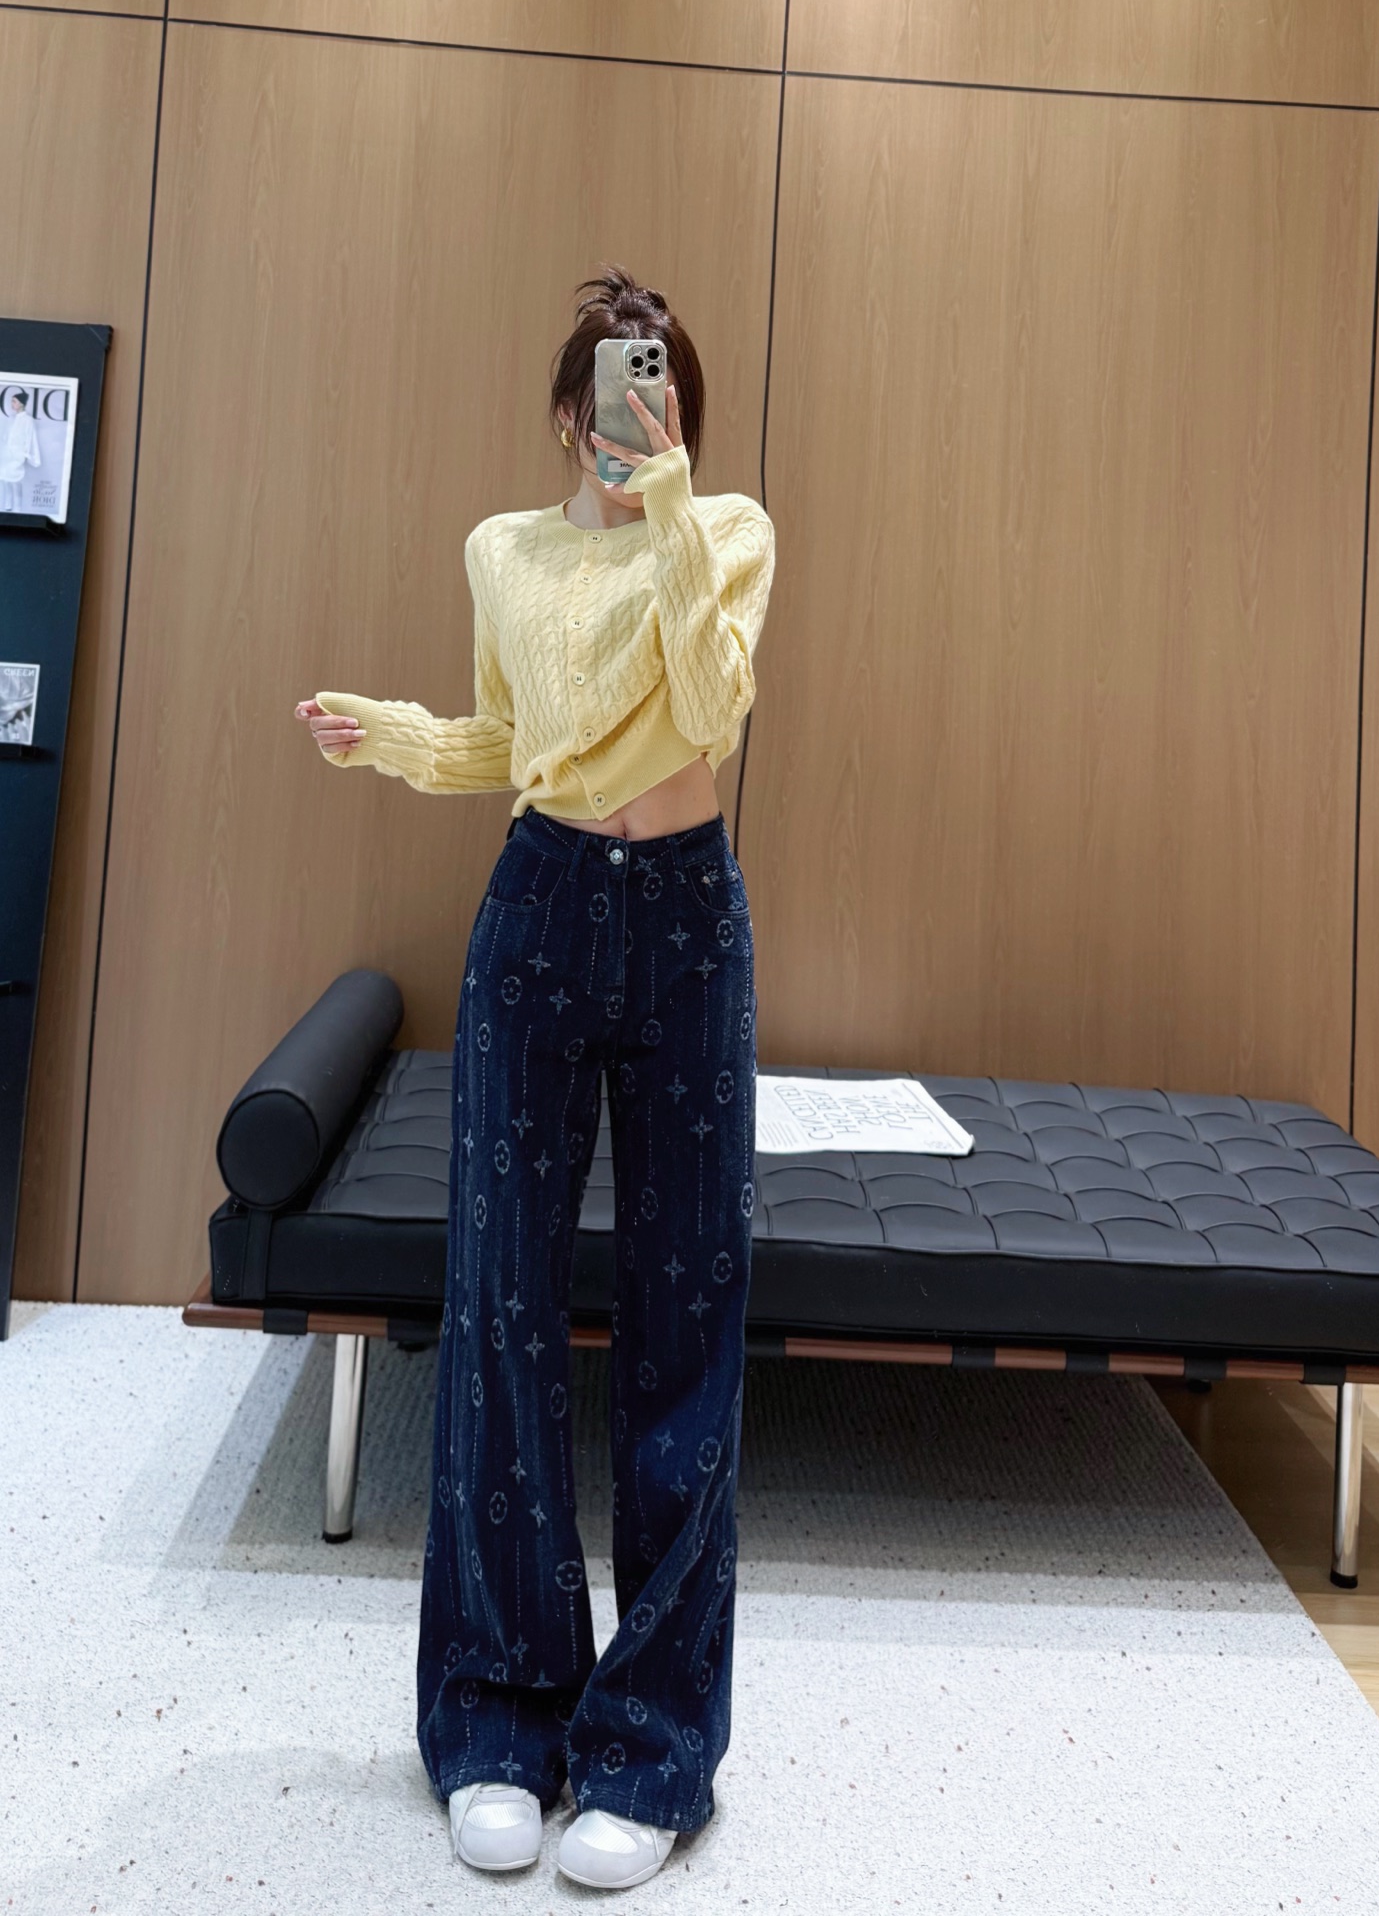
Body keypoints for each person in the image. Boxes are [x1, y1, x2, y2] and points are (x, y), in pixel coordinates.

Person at [295, 266, 776, 1891]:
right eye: (618, 393)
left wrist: (675, 506)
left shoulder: (730, 531)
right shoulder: (502, 551)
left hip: (690, 923)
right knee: (499, 1307)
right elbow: (524, 739)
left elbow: (711, 709)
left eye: (667, 392)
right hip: (542, 913)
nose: (640, 415)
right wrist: (399, 736)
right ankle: (498, 1723)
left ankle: (652, 1750)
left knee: (685, 1316)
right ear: (570, 412)